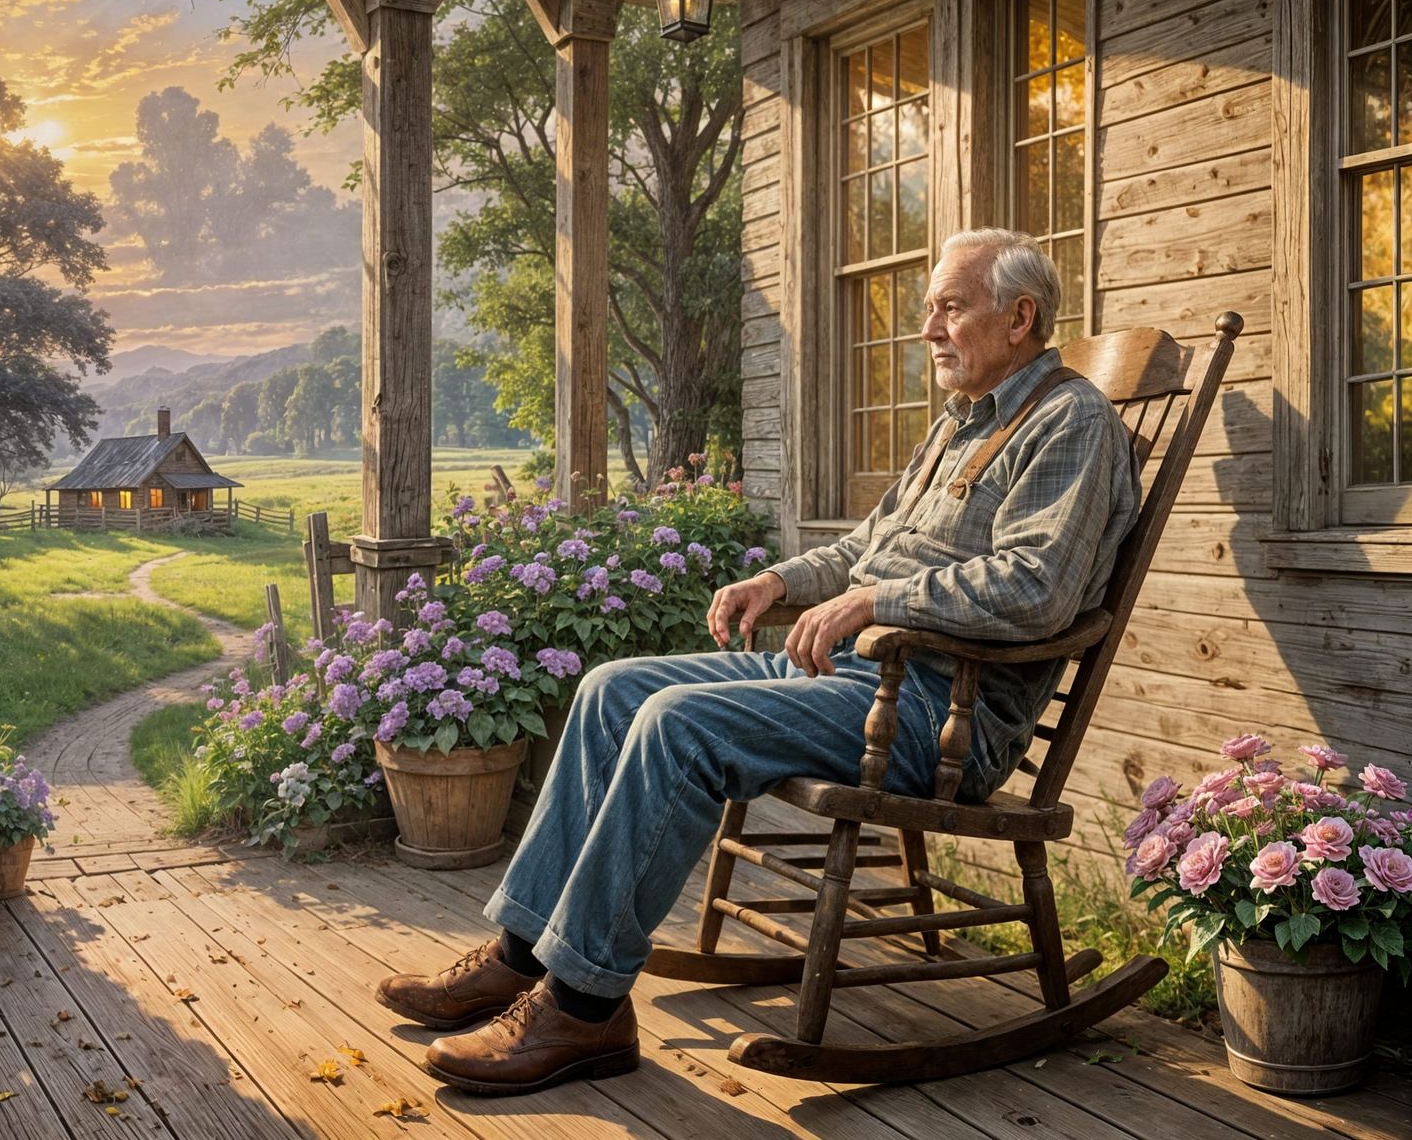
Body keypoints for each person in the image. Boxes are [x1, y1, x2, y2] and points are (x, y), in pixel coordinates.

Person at [376, 228, 1140, 1096]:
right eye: (929, 307)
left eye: (949, 308)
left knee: (678, 727)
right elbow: (867, 546)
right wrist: (778, 580)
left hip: (933, 708)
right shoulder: (961, 425)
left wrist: (877, 603)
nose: (926, 326)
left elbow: (1036, 587)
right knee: (610, 690)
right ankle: (521, 956)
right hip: (844, 677)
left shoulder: (1073, 423)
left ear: (1020, 317)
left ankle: (585, 1009)